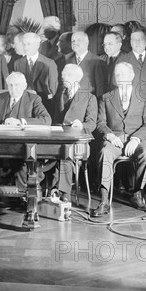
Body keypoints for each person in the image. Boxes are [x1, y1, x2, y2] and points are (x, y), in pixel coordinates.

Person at [92, 62, 146, 217]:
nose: (120, 77)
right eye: (117, 74)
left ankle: (137, 193)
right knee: (105, 152)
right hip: (115, 138)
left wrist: (136, 139)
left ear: (132, 75)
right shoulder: (106, 97)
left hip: (138, 138)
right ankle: (104, 200)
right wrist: (110, 135)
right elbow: (100, 123)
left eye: (124, 74)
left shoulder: (144, 97)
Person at [0, 72, 51, 191]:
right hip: (0, 142)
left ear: (24, 85)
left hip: (22, 145)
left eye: (17, 85)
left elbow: (46, 119)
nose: (13, 88)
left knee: (22, 163)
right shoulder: (2, 97)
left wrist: (20, 121)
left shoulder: (33, 99)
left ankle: (24, 194)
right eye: (10, 85)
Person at [50, 64, 97, 201]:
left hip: (78, 142)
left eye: (67, 75)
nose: (63, 77)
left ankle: (63, 193)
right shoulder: (58, 95)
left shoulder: (89, 97)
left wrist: (81, 125)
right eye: (63, 74)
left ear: (77, 78)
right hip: (58, 138)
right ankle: (46, 189)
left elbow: (92, 123)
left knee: (66, 153)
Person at [13, 32, 58, 114]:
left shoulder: (49, 63)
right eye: (24, 44)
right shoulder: (17, 63)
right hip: (23, 105)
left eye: (29, 44)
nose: (26, 47)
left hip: (43, 105)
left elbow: (53, 91)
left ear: (37, 45)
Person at [118, 28, 146, 104]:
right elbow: (118, 86)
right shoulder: (122, 60)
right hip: (130, 108)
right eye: (134, 40)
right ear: (131, 43)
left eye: (140, 39)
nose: (137, 42)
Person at [65, 31, 106, 97]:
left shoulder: (98, 62)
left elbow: (101, 90)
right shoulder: (66, 59)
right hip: (68, 103)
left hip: (87, 103)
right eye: (73, 41)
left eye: (79, 40)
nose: (75, 43)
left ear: (87, 42)